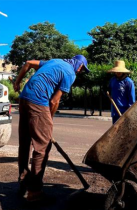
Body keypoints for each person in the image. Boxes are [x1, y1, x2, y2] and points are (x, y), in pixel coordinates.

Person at [13, 55, 90, 202]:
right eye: (82, 69)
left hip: (24, 99)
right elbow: (54, 101)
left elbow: (28, 63)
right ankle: (34, 191)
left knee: (25, 142)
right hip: (38, 101)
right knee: (42, 146)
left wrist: (17, 83)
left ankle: (23, 181)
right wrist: (49, 120)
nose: (80, 71)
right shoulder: (70, 73)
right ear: (79, 66)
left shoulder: (56, 61)